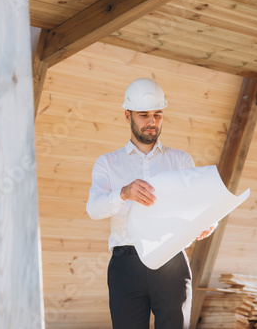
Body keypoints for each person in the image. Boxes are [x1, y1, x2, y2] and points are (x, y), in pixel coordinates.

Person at [86, 78, 216, 329]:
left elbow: (200, 207)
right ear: (127, 116)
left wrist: (207, 222)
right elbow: (94, 208)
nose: (152, 122)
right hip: (126, 264)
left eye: (157, 115)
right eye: (144, 115)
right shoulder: (107, 163)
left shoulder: (181, 160)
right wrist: (123, 193)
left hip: (172, 263)